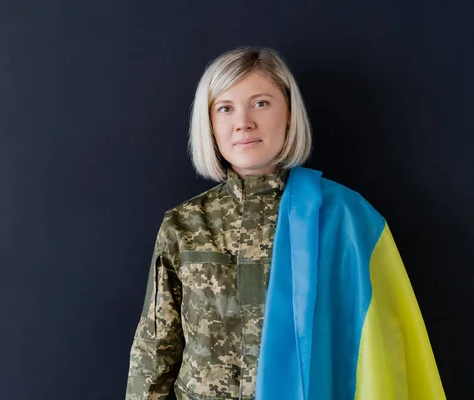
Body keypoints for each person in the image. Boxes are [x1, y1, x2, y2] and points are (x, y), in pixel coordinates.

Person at [125, 46, 445, 400]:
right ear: (211, 124)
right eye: (225, 108)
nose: (243, 122)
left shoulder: (344, 219)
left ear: (289, 113)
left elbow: (383, 349)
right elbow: (155, 351)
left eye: (261, 103)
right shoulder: (183, 226)